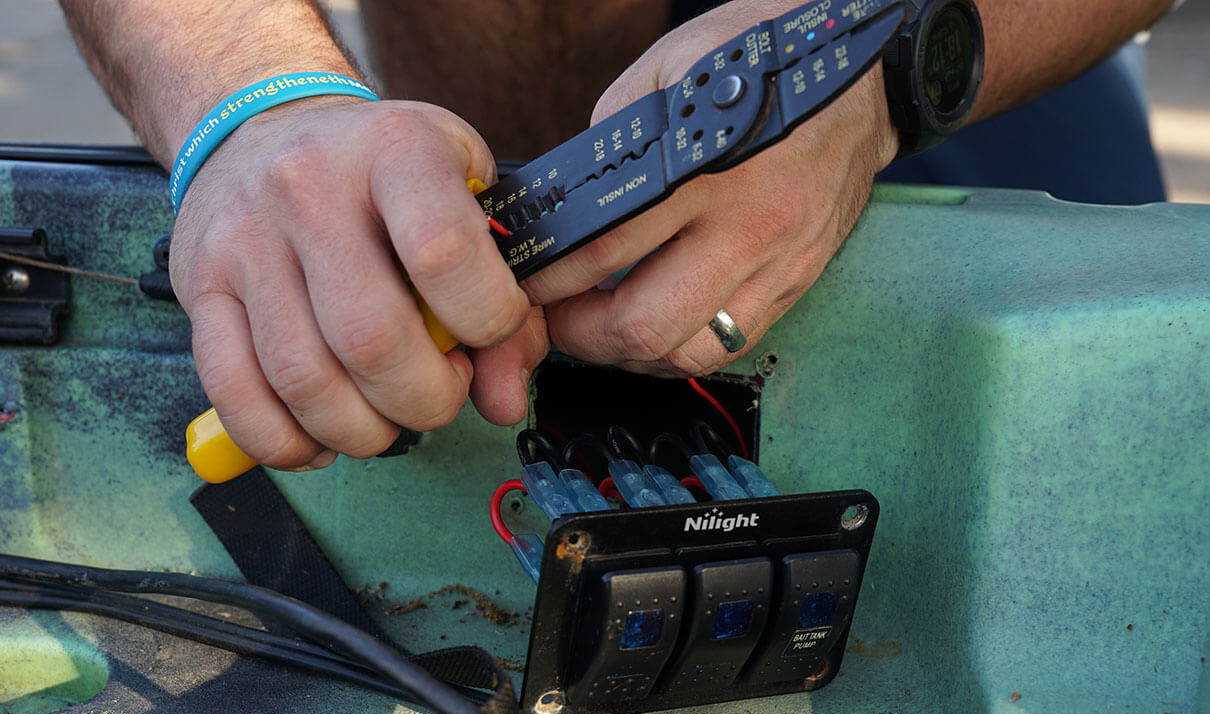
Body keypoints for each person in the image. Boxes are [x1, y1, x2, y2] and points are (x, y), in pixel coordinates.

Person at [59, 0, 1173, 472]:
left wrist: (889, 74)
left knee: (1100, 446)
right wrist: (260, 112)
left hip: (938, 57)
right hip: (507, 116)